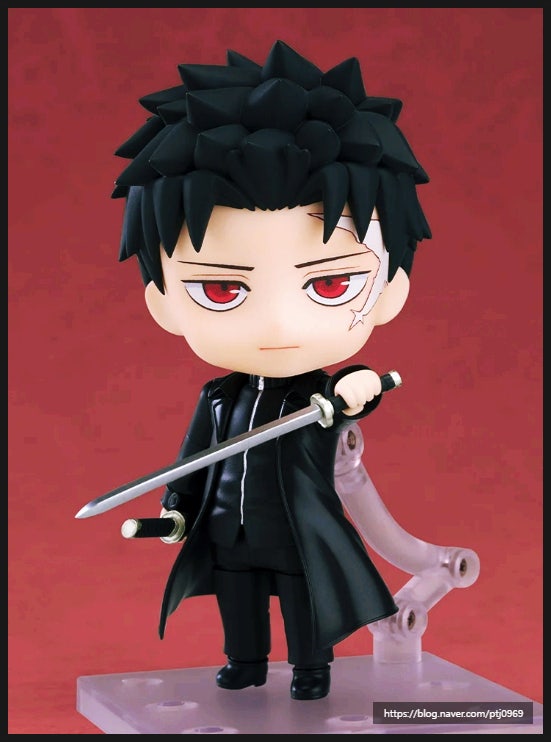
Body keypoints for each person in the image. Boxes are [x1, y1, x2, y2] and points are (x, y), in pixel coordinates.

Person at [111, 39, 431, 701]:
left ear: (390, 290)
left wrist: (358, 389)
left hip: (296, 527)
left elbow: (352, 396)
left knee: (304, 599)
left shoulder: (325, 394)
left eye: (330, 285)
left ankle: (311, 670)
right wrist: (176, 512)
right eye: (222, 289)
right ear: (162, 302)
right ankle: (245, 662)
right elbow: (193, 460)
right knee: (238, 599)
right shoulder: (219, 397)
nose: (278, 326)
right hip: (227, 527)